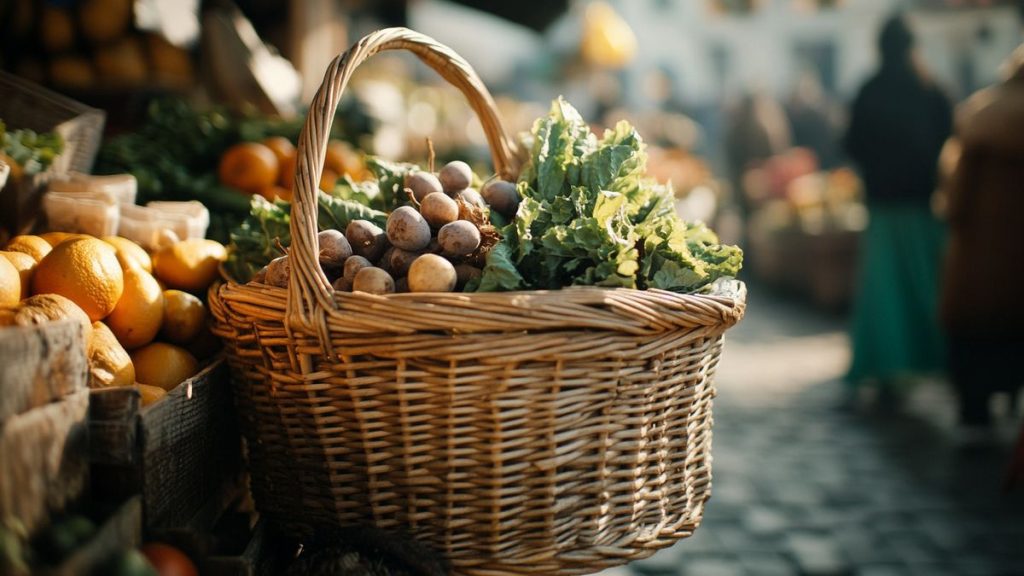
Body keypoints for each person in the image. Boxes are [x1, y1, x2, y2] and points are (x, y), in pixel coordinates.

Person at [843, 15, 952, 397]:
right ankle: (938, 361)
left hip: (886, 207)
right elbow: (948, 140)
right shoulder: (932, 90)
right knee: (926, 287)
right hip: (922, 205)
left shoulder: (869, 90)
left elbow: (852, 144)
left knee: (885, 294)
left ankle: (888, 369)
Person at [939, 44, 1024, 430]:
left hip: (981, 251)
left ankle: (975, 413)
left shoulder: (982, 115)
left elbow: (956, 197)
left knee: (977, 333)